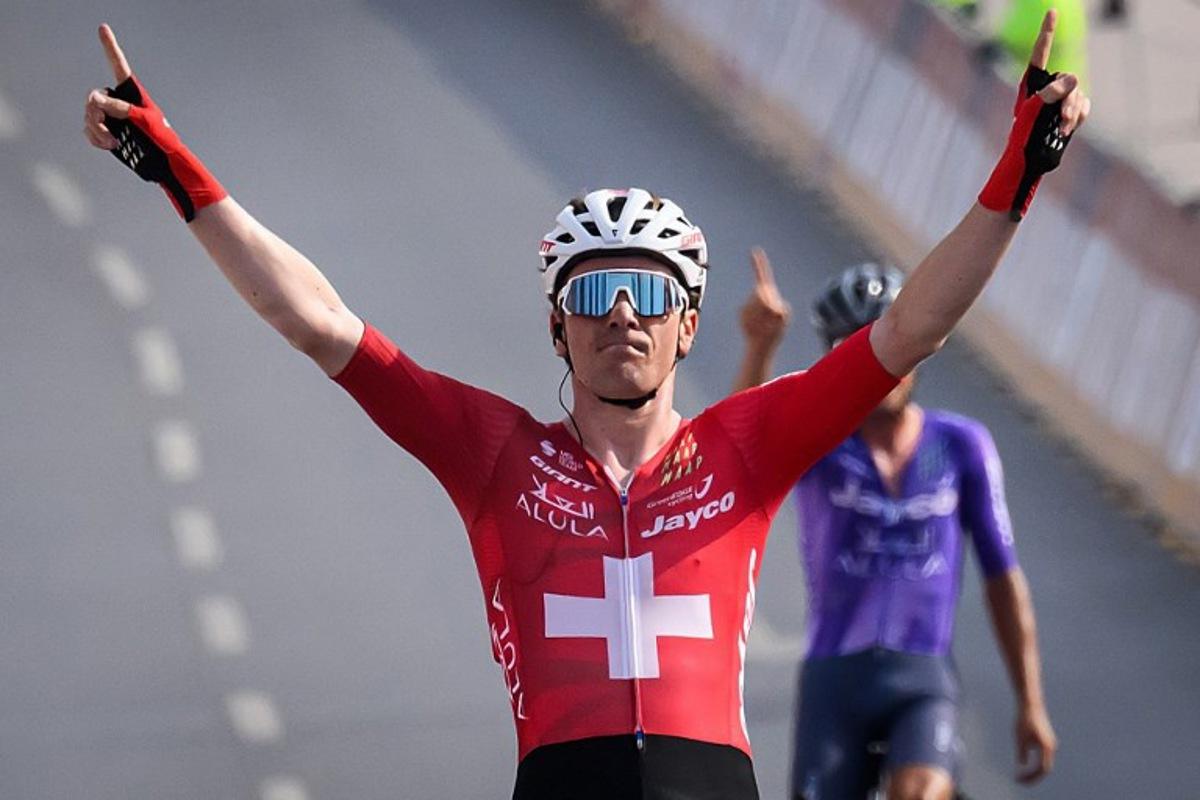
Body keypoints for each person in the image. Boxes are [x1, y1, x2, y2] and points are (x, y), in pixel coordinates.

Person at [83, 12, 1086, 800]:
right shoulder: (493, 454)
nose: (621, 314)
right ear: (556, 327)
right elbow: (319, 321)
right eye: (592, 294)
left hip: (711, 782)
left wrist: (1021, 168)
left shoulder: (744, 446)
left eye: (649, 292)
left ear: (687, 326)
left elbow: (912, 325)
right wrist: (177, 167)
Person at [734, 254, 1057, 800]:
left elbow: (1004, 581)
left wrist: (1031, 702)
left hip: (921, 679)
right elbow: (741, 452)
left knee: (920, 793)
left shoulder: (960, 445)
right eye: (857, 348)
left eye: (896, 347)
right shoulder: (822, 441)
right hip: (834, 682)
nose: (885, 367)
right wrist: (761, 348)